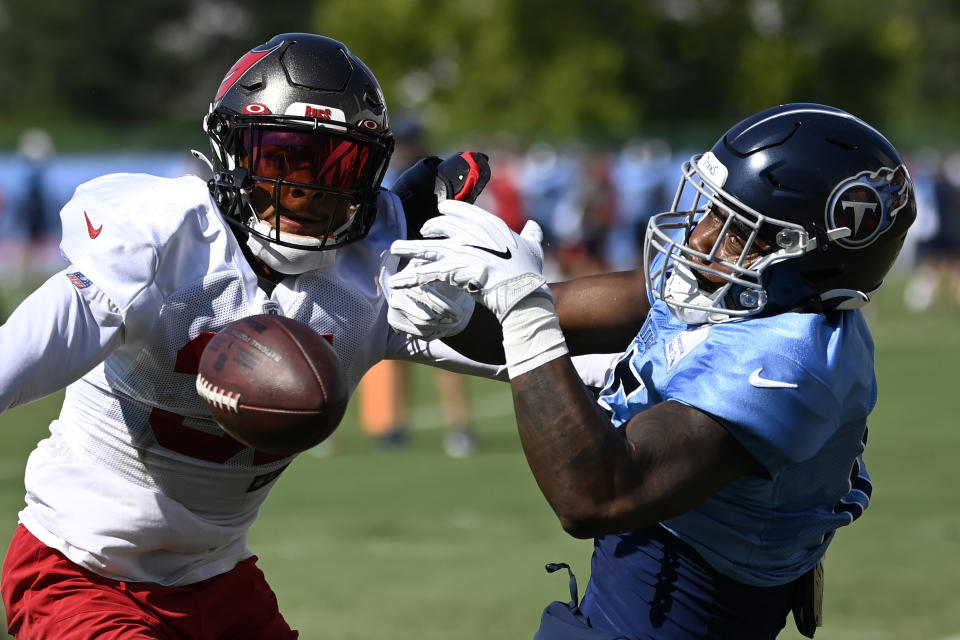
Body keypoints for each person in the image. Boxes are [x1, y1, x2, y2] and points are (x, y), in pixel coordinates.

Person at [0, 32, 504, 639]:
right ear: (233, 151)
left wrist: (524, 301)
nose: (307, 190)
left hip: (219, 580)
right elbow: (18, 356)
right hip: (80, 570)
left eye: (335, 166)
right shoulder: (165, 241)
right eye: (284, 159)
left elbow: (540, 354)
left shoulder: (372, 275)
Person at [384, 103, 916, 639]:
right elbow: (510, 331)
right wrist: (441, 290)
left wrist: (521, 303)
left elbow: (595, 494)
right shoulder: (738, 290)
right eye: (714, 209)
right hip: (624, 598)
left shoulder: (793, 361)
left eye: (737, 230)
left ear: (806, 257)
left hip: (681, 618)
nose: (703, 237)